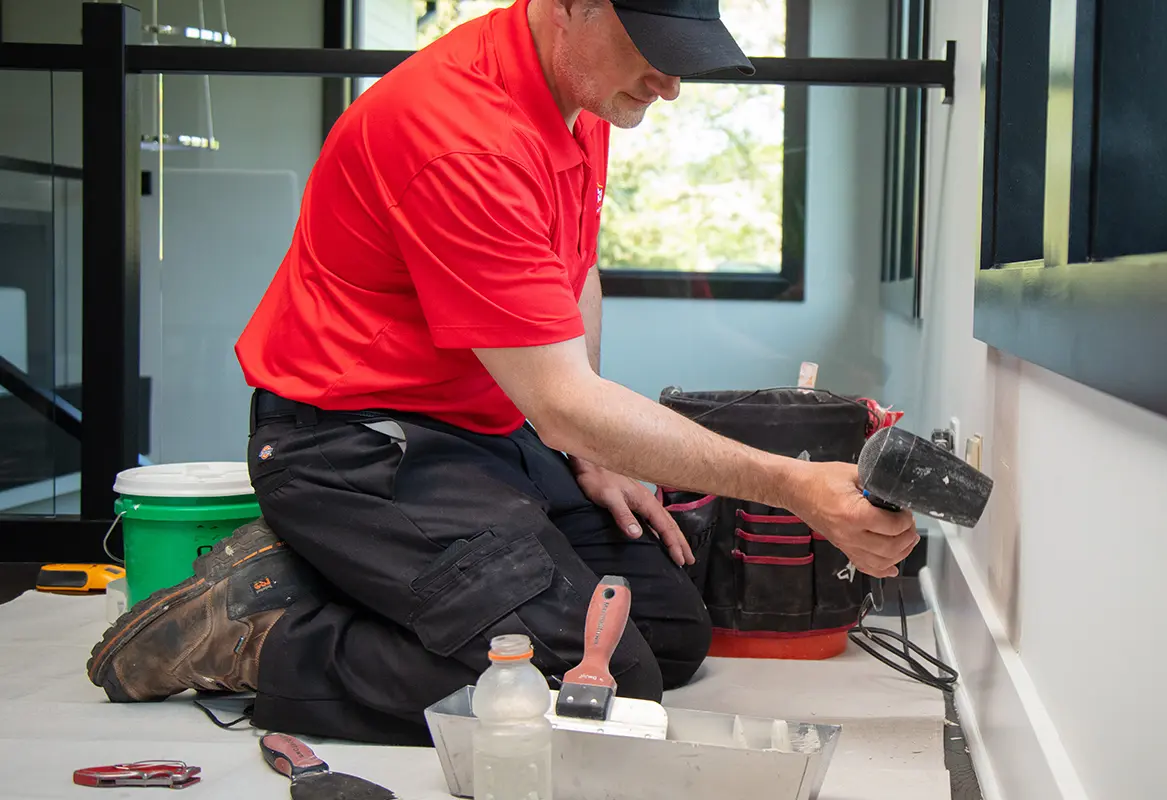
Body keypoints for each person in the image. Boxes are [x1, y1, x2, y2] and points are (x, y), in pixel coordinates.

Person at [86, 0, 919, 746]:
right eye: (655, 48)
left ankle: (354, 572)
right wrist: (795, 486)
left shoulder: (581, 96)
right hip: (355, 448)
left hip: (485, 432)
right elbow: (561, 404)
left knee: (667, 635)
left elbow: (573, 273)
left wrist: (597, 450)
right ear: (570, 8)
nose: (670, 84)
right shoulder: (458, 134)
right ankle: (262, 636)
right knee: (593, 688)